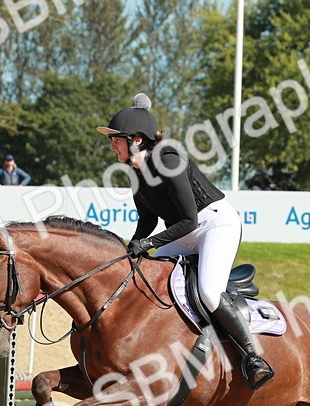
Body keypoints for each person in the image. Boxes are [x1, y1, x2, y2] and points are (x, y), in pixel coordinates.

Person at [97, 93, 273, 389]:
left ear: (137, 139)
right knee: (144, 275)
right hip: (185, 231)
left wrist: (149, 244)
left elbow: (190, 220)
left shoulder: (169, 160)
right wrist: (134, 247)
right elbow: (148, 219)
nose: (112, 144)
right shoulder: (134, 170)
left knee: (208, 292)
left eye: (117, 139)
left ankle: (253, 357)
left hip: (215, 224)